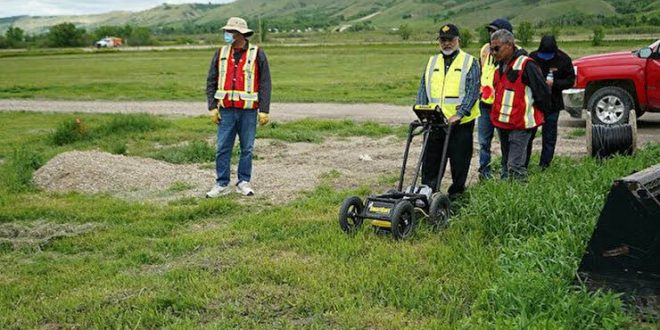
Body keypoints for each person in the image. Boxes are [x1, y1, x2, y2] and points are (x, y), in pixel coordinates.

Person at [205, 17, 271, 197]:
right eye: (227, 31)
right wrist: (212, 106)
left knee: (247, 149)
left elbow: (265, 83)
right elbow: (211, 81)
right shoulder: (220, 53)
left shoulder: (257, 53)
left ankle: (243, 181)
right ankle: (222, 184)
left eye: (230, 32)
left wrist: (264, 110)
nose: (226, 34)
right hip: (226, 110)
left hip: (248, 111)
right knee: (223, 147)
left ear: (240, 34)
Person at [416, 24, 480, 197]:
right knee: (430, 162)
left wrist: (459, 114)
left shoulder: (470, 62)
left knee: (459, 163)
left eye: (450, 40)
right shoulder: (432, 61)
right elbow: (424, 87)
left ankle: (456, 196)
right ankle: (428, 195)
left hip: (460, 124)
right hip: (435, 122)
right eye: (443, 40)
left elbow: (473, 91)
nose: (447, 44)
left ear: (458, 40)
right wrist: (422, 111)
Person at [489, 29, 551, 180]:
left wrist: (542, 116)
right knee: (505, 163)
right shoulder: (499, 67)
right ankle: (507, 197)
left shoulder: (526, 65)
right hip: (503, 124)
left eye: (496, 48)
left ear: (509, 45)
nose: (493, 52)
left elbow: (542, 93)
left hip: (521, 125)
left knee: (515, 166)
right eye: (491, 49)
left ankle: (521, 197)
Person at [527, 35, 575, 169]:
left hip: (553, 105)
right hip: (534, 104)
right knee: (528, 135)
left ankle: (544, 165)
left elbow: (571, 81)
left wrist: (555, 83)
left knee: (549, 137)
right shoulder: (533, 58)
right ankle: (523, 163)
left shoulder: (564, 60)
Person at [478, 18, 513, 179]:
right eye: (490, 32)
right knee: (484, 142)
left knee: (506, 142)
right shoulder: (485, 49)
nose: (491, 35)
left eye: (495, 31)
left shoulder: (512, 53)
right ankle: (485, 174)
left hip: (503, 105)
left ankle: (506, 174)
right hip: (485, 104)